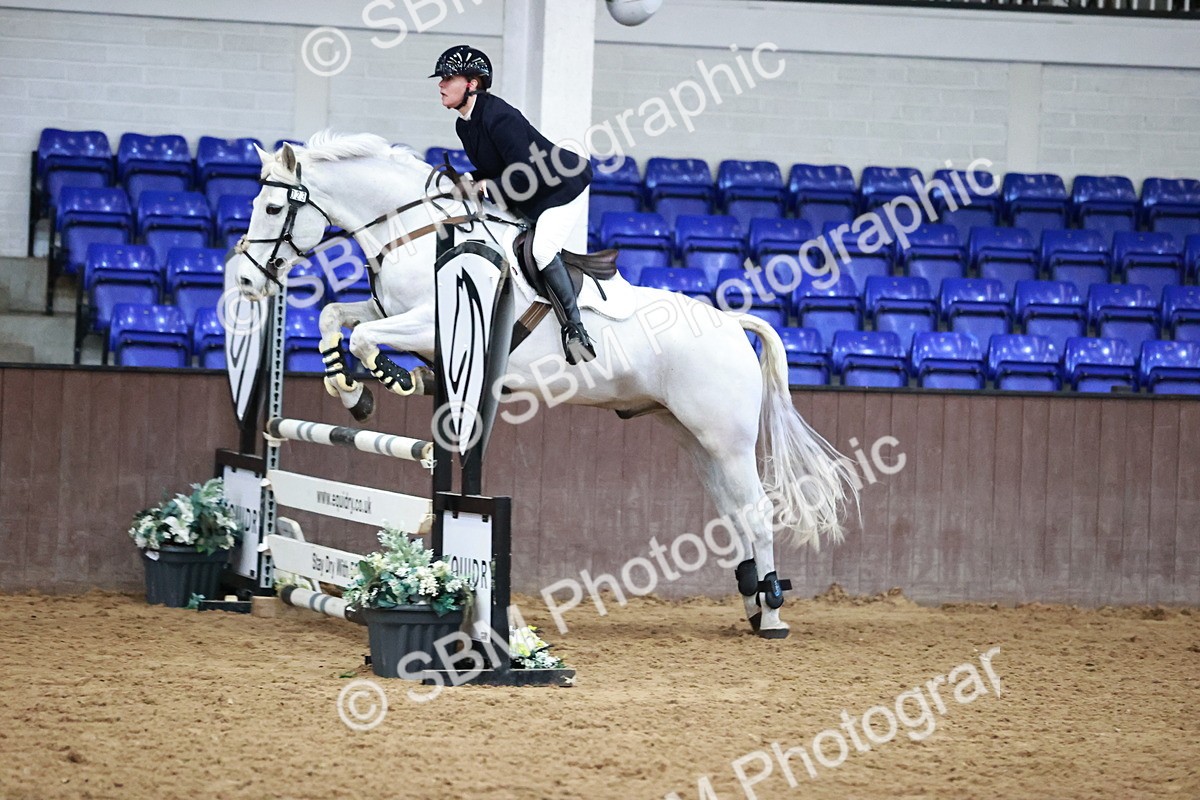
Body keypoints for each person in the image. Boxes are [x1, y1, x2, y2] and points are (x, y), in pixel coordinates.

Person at [431, 45, 596, 364]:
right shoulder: (464, 123)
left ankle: (576, 330)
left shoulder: (499, 116)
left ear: (472, 84)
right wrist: (470, 178)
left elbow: (525, 172)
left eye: (448, 78)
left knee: (543, 251)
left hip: (560, 188)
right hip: (529, 191)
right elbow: (495, 166)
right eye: (441, 78)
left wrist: (487, 185)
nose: (440, 84)